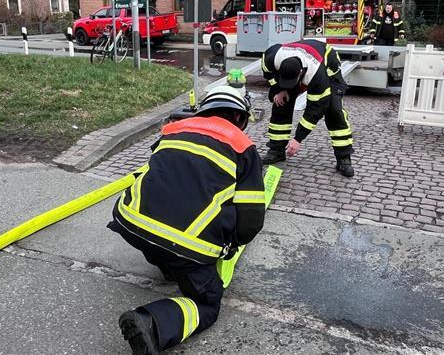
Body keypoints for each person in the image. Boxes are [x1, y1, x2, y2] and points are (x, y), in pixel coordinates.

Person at [110, 86, 266, 355]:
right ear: (240, 118)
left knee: (162, 240)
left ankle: (167, 265)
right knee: (208, 303)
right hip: (184, 245)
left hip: (130, 222)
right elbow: (251, 221)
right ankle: (152, 323)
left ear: (203, 110)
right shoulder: (243, 147)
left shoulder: (174, 129)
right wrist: (230, 245)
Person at [260, 39, 355, 177]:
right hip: (299, 57)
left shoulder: (316, 74)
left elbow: (315, 109)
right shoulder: (272, 57)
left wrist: (298, 138)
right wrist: (279, 90)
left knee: (333, 110)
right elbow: (268, 74)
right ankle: (277, 150)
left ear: (300, 73)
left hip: (328, 66)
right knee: (280, 102)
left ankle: (343, 157)